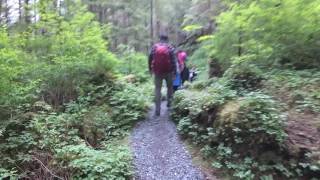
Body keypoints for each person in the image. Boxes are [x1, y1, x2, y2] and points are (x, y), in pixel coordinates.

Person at [149, 35, 177, 116]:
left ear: (159, 39)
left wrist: (150, 69)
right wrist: (175, 72)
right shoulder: (170, 48)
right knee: (170, 88)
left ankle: (157, 110)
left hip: (157, 72)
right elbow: (173, 60)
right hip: (169, 71)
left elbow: (150, 58)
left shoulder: (154, 47)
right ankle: (169, 104)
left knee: (157, 89)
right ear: (167, 40)